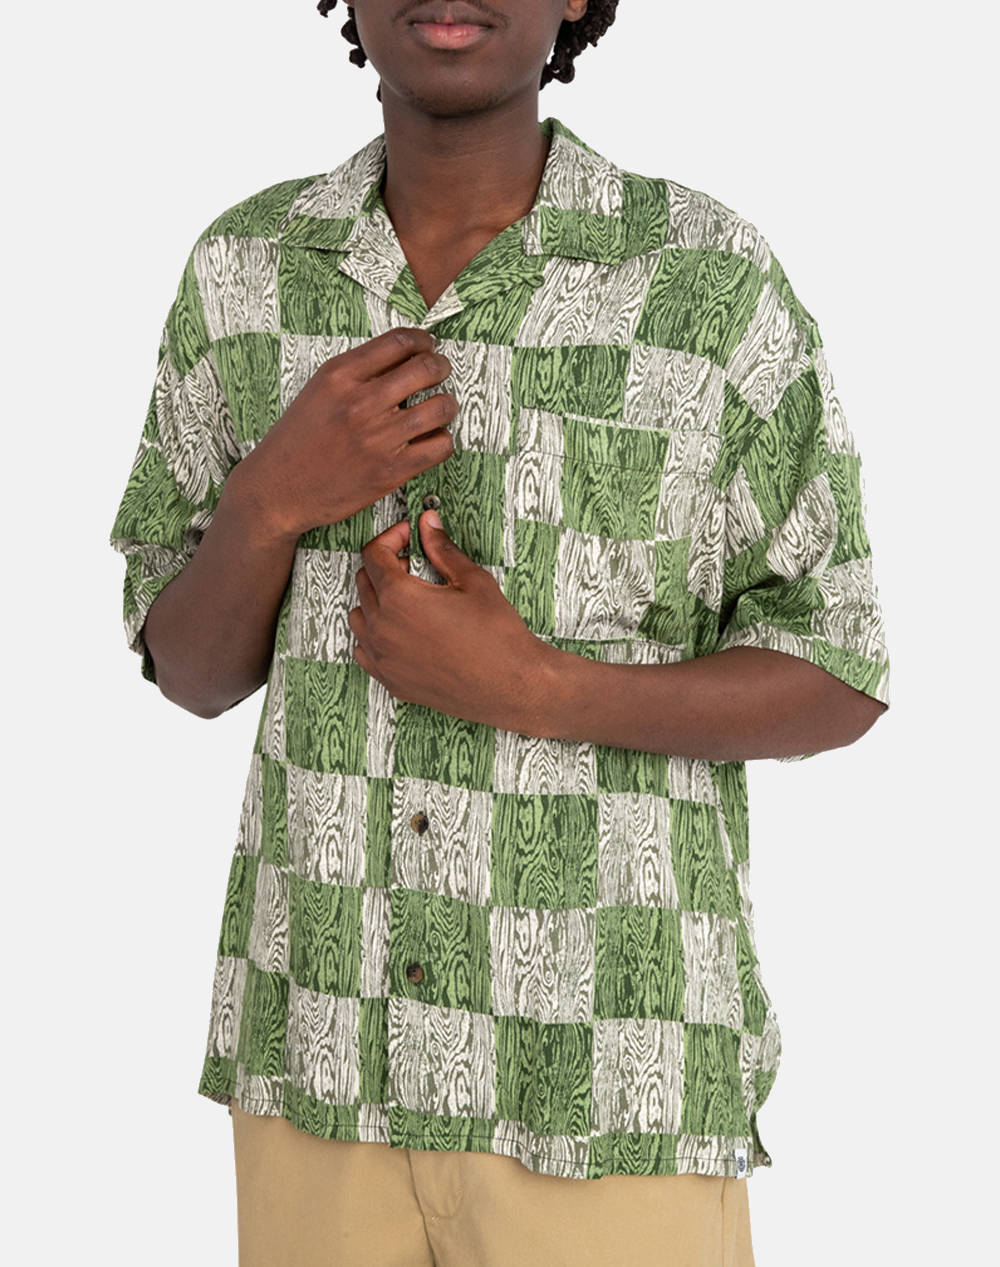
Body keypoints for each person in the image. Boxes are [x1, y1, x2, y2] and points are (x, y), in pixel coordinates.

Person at [107, 2, 891, 1263]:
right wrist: (269, 499)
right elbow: (189, 672)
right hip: (320, 1058)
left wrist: (537, 684)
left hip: (609, 1081)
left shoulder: (707, 280)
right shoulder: (243, 270)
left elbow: (837, 666)